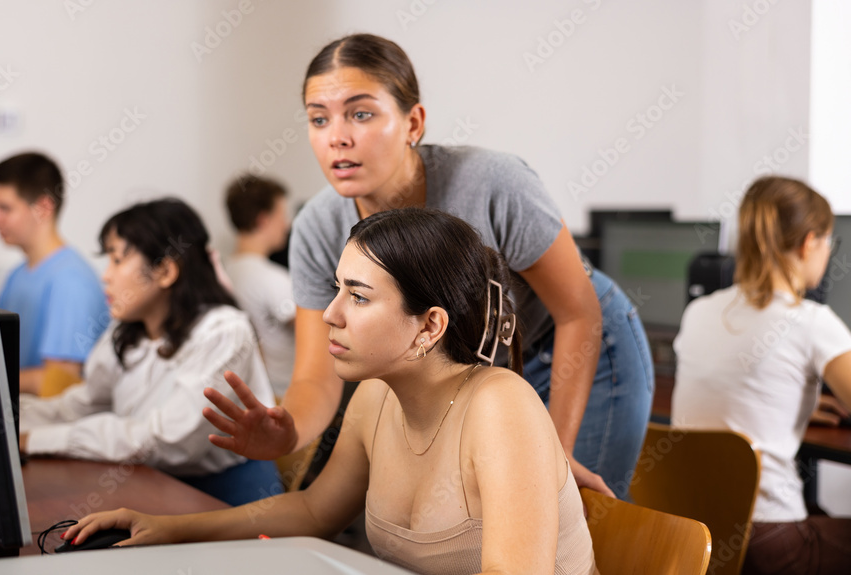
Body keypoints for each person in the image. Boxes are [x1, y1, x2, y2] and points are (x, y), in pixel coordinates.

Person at [204, 33, 653, 499]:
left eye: (360, 113)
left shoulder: (493, 184)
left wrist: (553, 450)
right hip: (481, 368)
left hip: (580, 347)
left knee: (562, 509)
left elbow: (578, 312)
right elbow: (316, 376)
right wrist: (288, 431)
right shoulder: (318, 227)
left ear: (413, 121)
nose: (337, 136)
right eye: (319, 119)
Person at [65, 209, 599, 575]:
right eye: (337, 288)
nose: (330, 314)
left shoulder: (500, 405)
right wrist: (170, 529)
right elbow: (315, 512)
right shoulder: (375, 397)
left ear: (429, 327)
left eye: (359, 297)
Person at [19, 198, 281, 506]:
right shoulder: (128, 329)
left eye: (117, 260)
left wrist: (39, 440)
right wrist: (10, 422)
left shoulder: (224, 331)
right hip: (149, 482)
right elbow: (84, 405)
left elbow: (167, 441)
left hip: (223, 495)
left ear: (165, 270)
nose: (106, 275)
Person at [672, 176, 851, 575]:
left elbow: (739, 392)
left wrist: (792, 403)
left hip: (698, 535)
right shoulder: (809, 321)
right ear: (809, 243)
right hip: (770, 544)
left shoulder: (699, 311)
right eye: (828, 242)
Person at [0, 152, 109, 396]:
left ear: (43, 208)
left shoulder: (72, 282)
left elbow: (61, 384)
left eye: (5, 208)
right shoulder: (17, 275)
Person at [223, 174, 297, 397]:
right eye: (281, 216)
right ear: (263, 220)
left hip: (248, 395)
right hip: (283, 396)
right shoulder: (273, 279)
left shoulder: (225, 271)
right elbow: (321, 334)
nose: (286, 225)